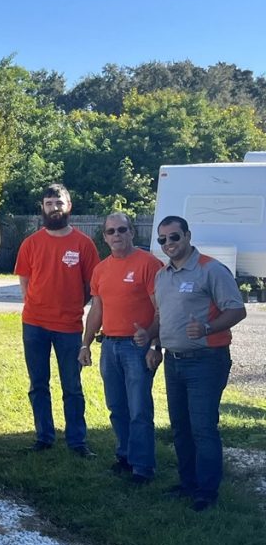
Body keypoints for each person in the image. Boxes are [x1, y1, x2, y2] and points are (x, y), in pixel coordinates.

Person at [143, 216, 246, 511]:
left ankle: (207, 491)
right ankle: (188, 484)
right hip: (174, 362)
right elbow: (164, 319)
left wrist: (207, 328)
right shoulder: (162, 275)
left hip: (206, 360)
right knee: (181, 428)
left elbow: (237, 310)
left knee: (203, 427)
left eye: (174, 237)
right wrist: (155, 345)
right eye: (162, 240)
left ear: (187, 235)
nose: (168, 244)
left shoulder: (210, 269)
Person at [15, 183, 100, 457]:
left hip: (69, 327)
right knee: (38, 384)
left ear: (69, 206)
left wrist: (74, 304)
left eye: (59, 203)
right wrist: (37, 304)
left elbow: (92, 285)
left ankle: (77, 441)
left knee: (72, 386)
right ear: (43, 207)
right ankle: (44, 436)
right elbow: (25, 281)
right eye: (49, 203)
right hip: (34, 325)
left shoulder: (84, 244)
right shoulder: (31, 243)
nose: (54, 208)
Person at [79, 212, 164, 484]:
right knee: (117, 406)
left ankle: (143, 467)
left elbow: (163, 309)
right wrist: (85, 343)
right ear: (104, 237)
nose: (116, 235)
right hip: (110, 345)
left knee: (139, 409)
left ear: (132, 232)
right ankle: (125, 457)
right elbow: (97, 311)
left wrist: (152, 340)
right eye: (111, 231)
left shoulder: (149, 264)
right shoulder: (101, 269)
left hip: (136, 348)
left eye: (122, 230)